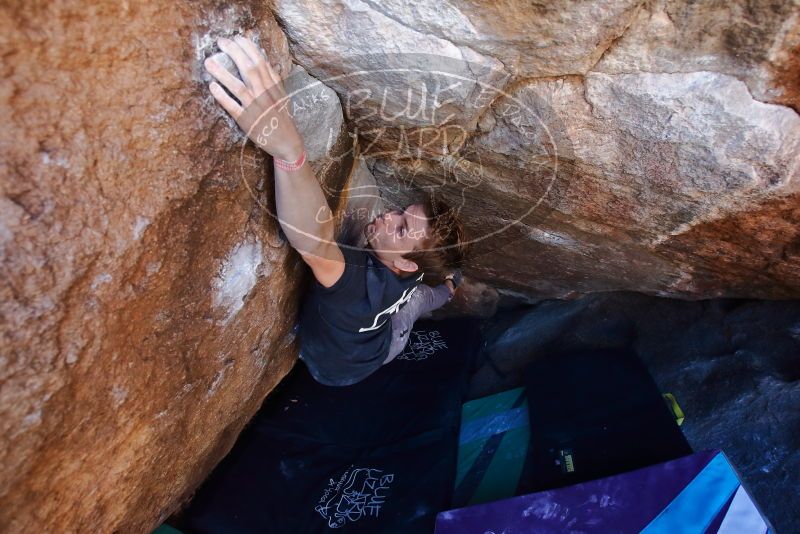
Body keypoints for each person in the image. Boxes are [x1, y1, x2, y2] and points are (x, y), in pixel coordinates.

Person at [205, 36, 467, 386]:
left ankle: (450, 287)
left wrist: (288, 149)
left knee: (416, 304)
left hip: (358, 363)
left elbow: (315, 244)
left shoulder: (358, 286)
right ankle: (452, 286)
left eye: (401, 228)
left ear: (405, 263)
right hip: (399, 306)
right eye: (402, 212)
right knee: (424, 297)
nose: (389, 216)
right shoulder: (413, 266)